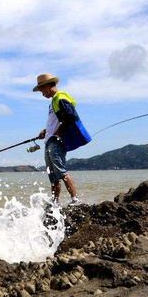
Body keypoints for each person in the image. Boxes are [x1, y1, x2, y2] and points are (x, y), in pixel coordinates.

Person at [33, 73, 91, 204]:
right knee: (52, 176)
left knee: (61, 171)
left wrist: (58, 133)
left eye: (42, 90)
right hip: (49, 141)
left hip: (55, 141)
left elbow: (70, 116)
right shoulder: (52, 102)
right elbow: (56, 121)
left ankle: (75, 200)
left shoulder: (60, 97)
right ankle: (55, 203)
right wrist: (46, 131)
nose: (42, 93)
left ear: (48, 86)